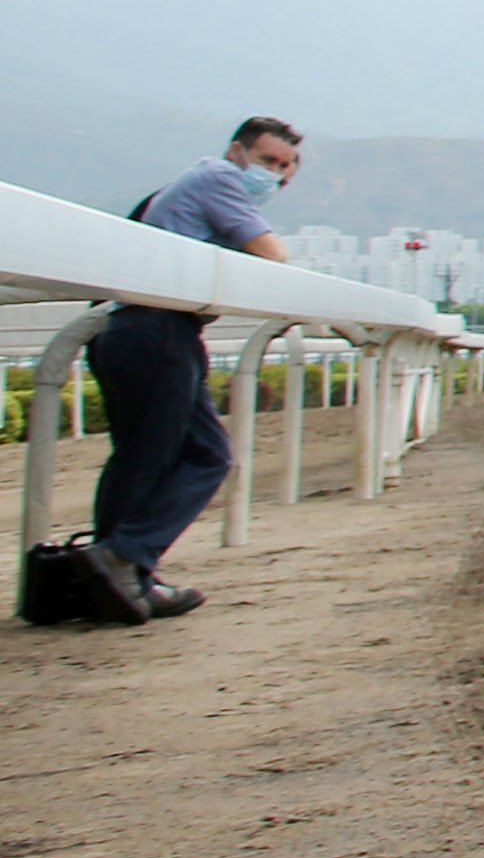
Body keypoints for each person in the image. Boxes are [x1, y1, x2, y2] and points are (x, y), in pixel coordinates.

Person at [23, 116, 296, 628]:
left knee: (143, 458)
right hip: (157, 330)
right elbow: (272, 253)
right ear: (238, 152)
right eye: (267, 162)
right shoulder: (218, 179)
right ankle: (123, 557)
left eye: (285, 169)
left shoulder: (186, 189)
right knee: (201, 456)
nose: (275, 177)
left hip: (135, 330)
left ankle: (118, 576)